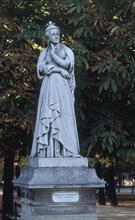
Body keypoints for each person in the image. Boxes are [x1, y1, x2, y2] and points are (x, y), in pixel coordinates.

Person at [30, 21, 80, 158]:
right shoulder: (43, 52)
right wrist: (57, 69)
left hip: (63, 86)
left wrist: (53, 56)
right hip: (50, 85)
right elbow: (40, 69)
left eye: (58, 33)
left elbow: (67, 65)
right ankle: (49, 152)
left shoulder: (67, 50)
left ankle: (68, 150)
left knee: (64, 116)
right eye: (53, 34)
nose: (56, 36)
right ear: (48, 37)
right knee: (49, 115)